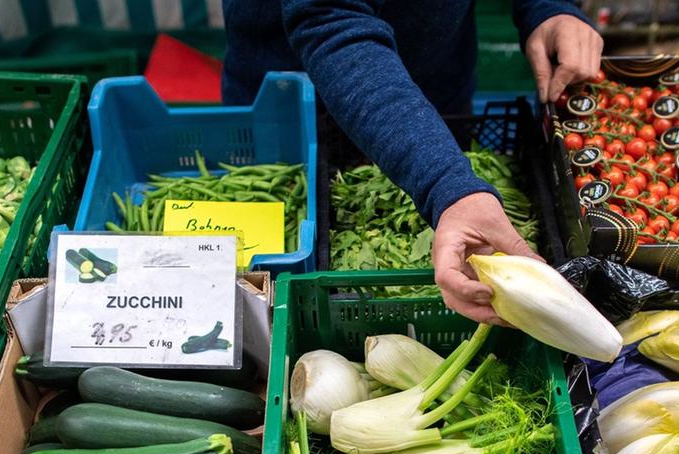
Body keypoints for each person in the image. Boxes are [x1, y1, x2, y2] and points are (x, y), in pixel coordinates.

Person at [223, 0, 601, 323]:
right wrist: (446, 185)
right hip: (294, 93)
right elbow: (329, 17)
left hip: (436, 89)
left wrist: (548, 8)